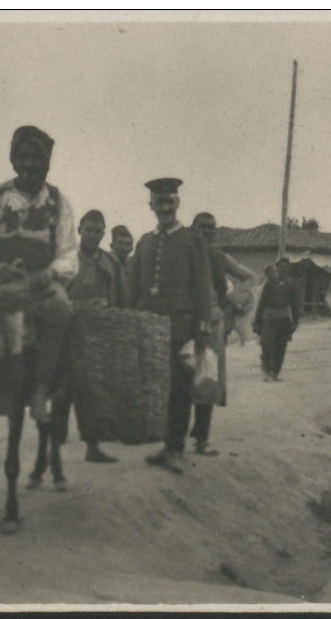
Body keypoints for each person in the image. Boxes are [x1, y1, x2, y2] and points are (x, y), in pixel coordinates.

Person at [0, 125, 78, 423]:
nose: (29, 164)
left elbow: (68, 254)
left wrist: (49, 274)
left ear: (46, 163)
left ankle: (40, 389)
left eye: (35, 158)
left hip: (40, 284)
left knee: (61, 308)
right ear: (14, 160)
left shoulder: (59, 201)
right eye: (22, 157)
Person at [129, 178, 212, 474]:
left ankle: (176, 448)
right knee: (159, 386)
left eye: (169, 202)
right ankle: (167, 444)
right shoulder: (145, 241)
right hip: (150, 321)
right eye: (158, 202)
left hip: (181, 322)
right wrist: (132, 318)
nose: (164, 207)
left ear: (177, 203)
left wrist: (201, 325)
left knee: (179, 386)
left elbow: (202, 284)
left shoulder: (192, 240)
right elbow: (134, 285)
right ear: (150, 205)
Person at [52, 209, 121, 463]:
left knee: (92, 389)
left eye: (98, 231)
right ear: (79, 230)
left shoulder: (109, 262)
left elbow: (118, 296)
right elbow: (55, 293)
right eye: (88, 230)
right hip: (66, 330)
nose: (92, 235)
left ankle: (92, 445)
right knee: (62, 385)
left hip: (98, 333)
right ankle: (56, 435)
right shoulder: (66, 260)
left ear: (103, 233)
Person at [189, 212, 256, 456]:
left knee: (207, 378)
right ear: (192, 228)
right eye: (202, 227)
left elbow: (250, 277)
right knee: (181, 379)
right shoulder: (181, 255)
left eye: (211, 227)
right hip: (184, 322)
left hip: (212, 322)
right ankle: (179, 435)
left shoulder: (219, 258)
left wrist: (228, 299)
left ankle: (201, 439)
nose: (207, 231)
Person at [253, 256, 301, 382]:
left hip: (284, 317)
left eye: (285, 268)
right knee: (267, 344)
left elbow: (295, 305)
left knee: (281, 345)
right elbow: (261, 303)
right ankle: (267, 371)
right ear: (277, 269)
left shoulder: (291, 285)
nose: (282, 270)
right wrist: (257, 322)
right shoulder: (269, 284)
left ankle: (275, 373)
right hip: (269, 317)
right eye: (280, 267)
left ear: (288, 270)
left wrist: (295, 322)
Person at [109, 225, 135, 308]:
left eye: (127, 244)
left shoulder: (134, 265)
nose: (123, 247)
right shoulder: (105, 262)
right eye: (120, 243)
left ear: (131, 248)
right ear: (112, 245)